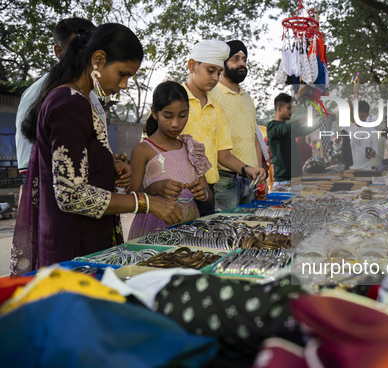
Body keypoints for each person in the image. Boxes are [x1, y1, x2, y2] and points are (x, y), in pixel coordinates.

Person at [11, 24, 181, 275]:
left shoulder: (78, 100)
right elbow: (71, 195)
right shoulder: (70, 103)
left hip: (80, 237)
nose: (124, 85)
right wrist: (145, 202)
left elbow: (75, 163)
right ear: (98, 59)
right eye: (122, 74)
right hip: (75, 246)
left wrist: (107, 165)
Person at [180, 40, 266, 214]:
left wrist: (251, 170)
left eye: (218, 73)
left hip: (215, 188)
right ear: (192, 66)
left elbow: (229, 150)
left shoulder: (222, 105)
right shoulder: (184, 98)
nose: (215, 78)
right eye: (210, 71)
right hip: (188, 188)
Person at [15, 18, 100, 175]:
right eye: (79, 48)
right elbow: (29, 166)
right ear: (59, 52)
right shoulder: (36, 94)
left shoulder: (92, 96)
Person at [127, 81, 212, 239]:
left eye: (182, 115)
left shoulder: (191, 148)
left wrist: (203, 194)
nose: (176, 124)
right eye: (168, 116)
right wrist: (154, 189)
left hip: (190, 226)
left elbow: (208, 194)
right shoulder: (143, 150)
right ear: (154, 113)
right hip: (154, 228)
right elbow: (131, 198)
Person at [209, 40, 267, 208]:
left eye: (244, 59)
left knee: (248, 229)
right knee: (225, 230)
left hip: (250, 179)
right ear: (223, 63)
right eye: (235, 58)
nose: (242, 63)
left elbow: (254, 137)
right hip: (224, 180)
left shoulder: (247, 98)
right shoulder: (212, 94)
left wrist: (257, 173)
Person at [267, 93, 320, 186]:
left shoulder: (288, 128)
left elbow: (305, 129)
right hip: (283, 181)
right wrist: (308, 117)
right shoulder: (273, 126)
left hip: (294, 179)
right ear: (279, 109)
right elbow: (284, 129)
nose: (291, 111)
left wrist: (323, 121)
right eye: (288, 108)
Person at [335, 100, 378, 170]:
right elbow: (337, 149)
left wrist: (373, 152)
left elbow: (376, 152)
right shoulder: (346, 129)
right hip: (349, 170)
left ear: (367, 115)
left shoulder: (372, 131)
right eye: (357, 116)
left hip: (366, 170)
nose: (359, 119)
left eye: (362, 117)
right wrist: (336, 141)